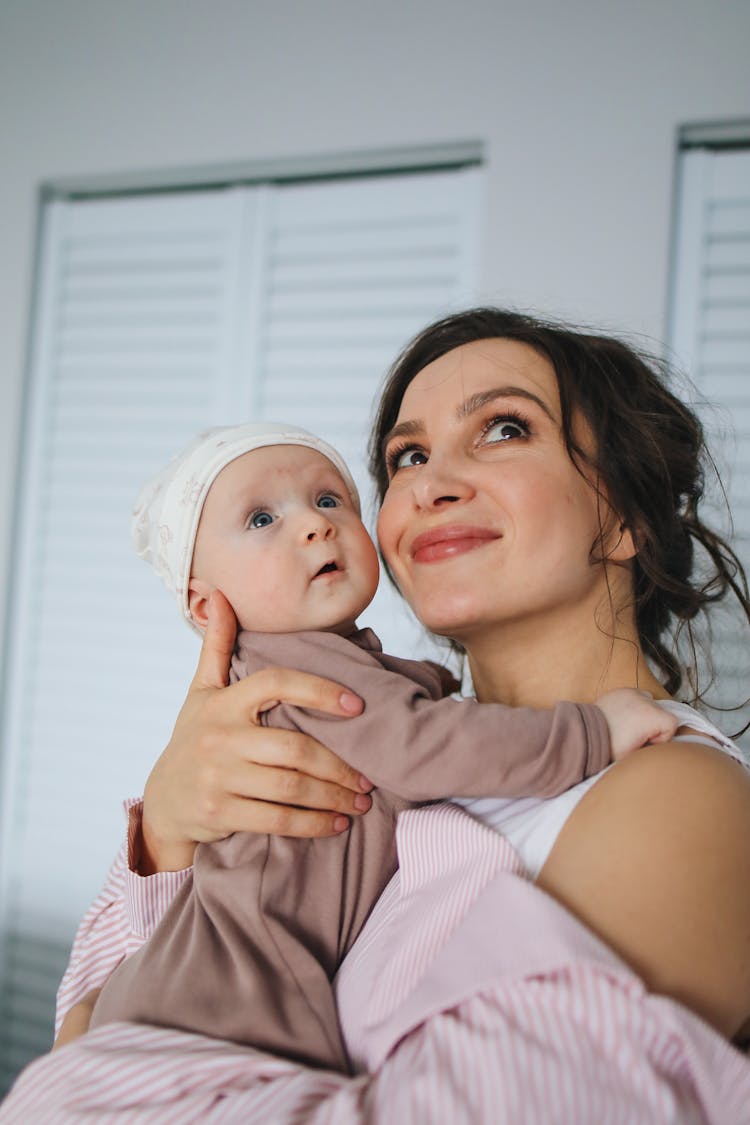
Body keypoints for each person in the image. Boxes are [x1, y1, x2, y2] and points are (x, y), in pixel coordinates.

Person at [5, 309, 750, 1123]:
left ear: (625, 517)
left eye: (504, 428)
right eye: (409, 455)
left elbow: (86, 1055)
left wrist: (77, 1060)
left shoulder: (678, 800)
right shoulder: (395, 752)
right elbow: (126, 1023)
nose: (430, 483)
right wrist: (170, 833)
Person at [88, 421, 667, 1072]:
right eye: (260, 519)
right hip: (221, 1019)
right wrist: (593, 730)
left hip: (195, 1011)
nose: (314, 524)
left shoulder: (327, 670)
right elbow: (424, 744)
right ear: (203, 605)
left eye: (330, 499)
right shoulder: (300, 670)